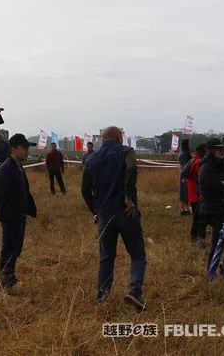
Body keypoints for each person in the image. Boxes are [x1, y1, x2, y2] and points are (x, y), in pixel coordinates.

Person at [81, 126, 146, 311]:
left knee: (106, 257)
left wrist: (95, 210)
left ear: (103, 139)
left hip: (104, 215)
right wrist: (128, 196)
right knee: (137, 254)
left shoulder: (92, 158)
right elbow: (133, 168)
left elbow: (84, 189)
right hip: (126, 212)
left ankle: (102, 298)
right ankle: (134, 291)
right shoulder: (126, 152)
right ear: (119, 138)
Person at [0, 133, 37, 294]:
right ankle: (7, 283)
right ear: (14, 149)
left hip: (19, 215)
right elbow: (2, 197)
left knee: (15, 249)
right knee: (9, 249)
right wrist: (9, 216)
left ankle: (11, 278)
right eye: (24, 148)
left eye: (27, 148)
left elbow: (25, 191)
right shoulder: (6, 169)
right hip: (11, 217)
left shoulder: (18, 167)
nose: (26, 151)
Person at [196, 138, 224, 267]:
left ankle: (221, 267)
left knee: (221, 241)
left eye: (222, 148)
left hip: (220, 207)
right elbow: (217, 187)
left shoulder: (222, 164)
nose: (221, 151)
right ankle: (211, 271)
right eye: (218, 149)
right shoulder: (206, 167)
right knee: (216, 242)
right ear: (210, 150)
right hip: (211, 208)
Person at [183, 143, 206, 243]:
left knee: (196, 218)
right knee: (199, 219)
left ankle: (194, 239)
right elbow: (200, 179)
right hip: (197, 194)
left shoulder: (192, 160)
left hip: (192, 193)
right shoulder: (198, 163)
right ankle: (196, 240)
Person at [178, 139, 192, 217]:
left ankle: (186, 209)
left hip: (183, 173)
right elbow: (185, 166)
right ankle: (182, 209)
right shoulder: (184, 154)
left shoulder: (182, 153)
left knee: (186, 192)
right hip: (185, 174)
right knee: (183, 192)